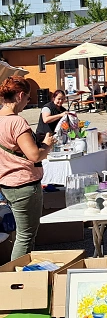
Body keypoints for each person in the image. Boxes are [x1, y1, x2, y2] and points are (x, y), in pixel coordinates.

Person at [0, 77, 55, 260]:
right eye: (27, 98)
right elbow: (35, 156)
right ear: (20, 95)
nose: (27, 102)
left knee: (21, 235)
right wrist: (47, 144)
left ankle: (20, 275)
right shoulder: (17, 122)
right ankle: (18, 278)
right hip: (24, 184)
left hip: (6, 184)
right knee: (25, 237)